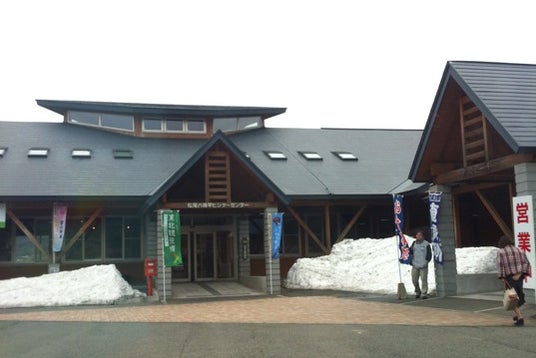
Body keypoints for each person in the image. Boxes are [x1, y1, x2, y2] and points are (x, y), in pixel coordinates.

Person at [496, 235, 532, 326]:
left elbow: (501, 266)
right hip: (519, 277)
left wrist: (502, 278)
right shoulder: (519, 250)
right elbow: (526, 263)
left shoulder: (501, 252)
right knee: (518, 296)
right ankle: (517, 315)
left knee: (512, 298)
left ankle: (520, 318)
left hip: (509, 278)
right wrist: (519, 274)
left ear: (502, 242)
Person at [409, 230, 432, 299]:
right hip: (415, 264)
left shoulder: (426, 244)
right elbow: (410, 252)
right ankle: (417, 291)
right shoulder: (413, 244)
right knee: (414, 279)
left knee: (423, 279)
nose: (418, 236)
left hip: (423, 265)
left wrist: (426, 261)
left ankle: (424, 293)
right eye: (417, 235)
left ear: (423, 236)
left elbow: (429, 254)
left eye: (420, 235)